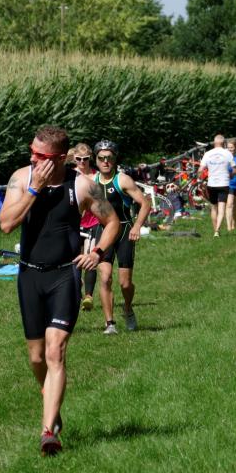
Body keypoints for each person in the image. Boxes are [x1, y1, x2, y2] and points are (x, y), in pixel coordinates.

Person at [0, 125, 120, 456]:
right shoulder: (21, 179)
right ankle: (50, 397)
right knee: (37, 357)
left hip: (64, 276)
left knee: (55, 352)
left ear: (60, 158)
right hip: (30, 276)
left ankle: (48, 430)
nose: (33, 158)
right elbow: (6, 224)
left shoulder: (81, 185)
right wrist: (34, 190)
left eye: (40, 155)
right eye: (32, 152)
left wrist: (97, 253)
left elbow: (112, 222)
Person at [92, 140, 151, 335]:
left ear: (115, 159)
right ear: (96, 160)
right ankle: (110, 323)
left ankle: (127, 308)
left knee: (125, 283)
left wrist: (137, 226)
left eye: (109, 158)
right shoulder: (91, 182)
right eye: (101, 158)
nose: (105, 161)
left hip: (124, 231)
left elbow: (145, 203)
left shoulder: (123, 180)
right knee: (105, 277)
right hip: (103, 232)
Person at [72, 143, 99, 311]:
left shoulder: (96, 176)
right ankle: (76, 292)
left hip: (94, 221)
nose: (82, 162)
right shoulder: (70, 175)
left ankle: (88, 296)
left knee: (90, 258)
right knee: (75, 260)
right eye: (79, 159)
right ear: (74, 159)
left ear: (90, 159)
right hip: (74, 223)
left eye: (86, 159)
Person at [199, 134, 236, 237]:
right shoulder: (228, 153)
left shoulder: (207, 154)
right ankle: (217, 230)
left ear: (214, 143)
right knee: (222, 207)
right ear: (224, 143)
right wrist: (231, 176)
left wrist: (200, 180)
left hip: (211, 184)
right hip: (224, 183)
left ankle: (216, 230)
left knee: (214, 207)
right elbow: (234, 170)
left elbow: (200, 170)